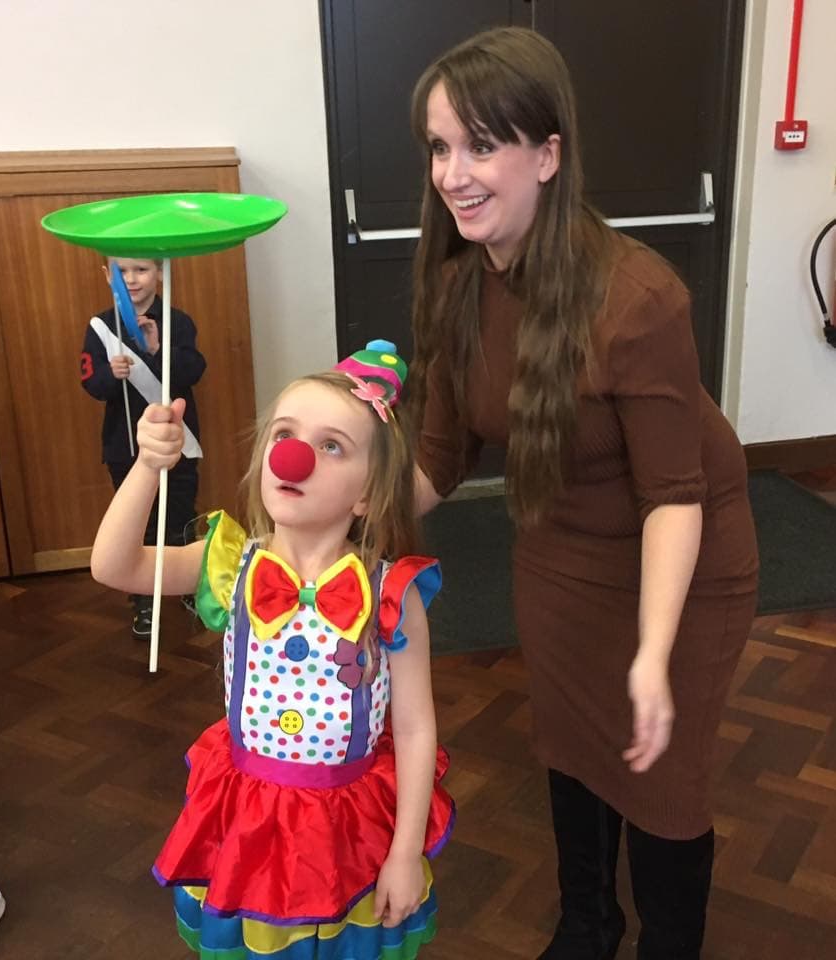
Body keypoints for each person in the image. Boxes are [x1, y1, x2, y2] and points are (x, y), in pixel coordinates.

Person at [408, 27, 758, 960]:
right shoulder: (456, 287)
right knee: (572, 748)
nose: (453, 173)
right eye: (441, 147)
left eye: (481, 144)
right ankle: (586, 925)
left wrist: (652, 651)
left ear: (548, 154)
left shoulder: (638, 298)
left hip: (686, 559)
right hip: (559, 552)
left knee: (663, 778)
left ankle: (666, 947)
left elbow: (674, 496)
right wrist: (324, 506)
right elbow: (437, 460)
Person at [90, 340, 454, 959]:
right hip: (250, 822)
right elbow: (112, 565)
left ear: (366, 494)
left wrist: (403, 851)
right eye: (285, 434)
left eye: (331, 445)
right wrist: (147, 469)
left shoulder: (392, 592)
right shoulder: (229, 563)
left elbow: (417, 730)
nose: (295, 454)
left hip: (351, 829)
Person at [81, 257, 206, 637]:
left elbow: (194, 370)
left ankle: (187, 586)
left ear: (160, 273)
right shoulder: (100, 327)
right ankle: (144, 600)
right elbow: (89, 381)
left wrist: (156, 351)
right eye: (122, 272)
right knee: (140, 522)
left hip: (176, 440)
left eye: (142, 270)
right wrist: (109, 375)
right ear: (108, 276)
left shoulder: (178, 321)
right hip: (125, 446)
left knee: (181, 515)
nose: (132, 279)